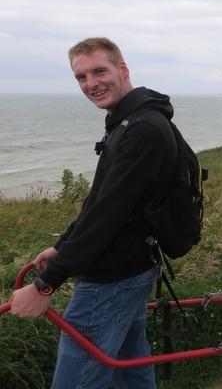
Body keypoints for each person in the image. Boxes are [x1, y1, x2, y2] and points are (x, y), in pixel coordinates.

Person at [9, 37, 179, 388]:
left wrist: (44, 285)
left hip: (112, 277)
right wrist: (65, 244)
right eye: (81, 77)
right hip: (133, 267)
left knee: (78, 378)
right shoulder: (126, 120)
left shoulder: (142, 128)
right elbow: (100, 200)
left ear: (123, 69)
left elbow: (108, 216)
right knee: (130, 364)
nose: (91, 84)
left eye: (99, 71)